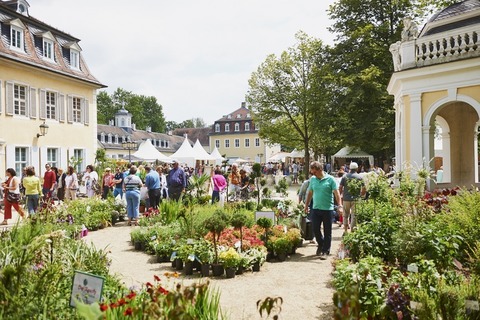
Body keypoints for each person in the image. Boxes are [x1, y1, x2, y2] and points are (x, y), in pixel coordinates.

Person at [304, 161, 343, 260]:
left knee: (327, 231)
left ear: (320, 169)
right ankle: (321, 244)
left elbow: (337, 193)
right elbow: (310, 193)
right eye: (312, 173)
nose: (313, 174)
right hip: (316, 209)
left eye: (315, 172)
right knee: (315, 229)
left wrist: (339, 205)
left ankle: (326, 251)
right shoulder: (313, 179)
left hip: (327, 209)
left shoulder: (330, 179)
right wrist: (306, 205)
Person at [339, 162, 366, 234]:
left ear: (350, 168)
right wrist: (361, 195)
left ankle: (345, 230)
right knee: (354, 215)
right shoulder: (360, 177)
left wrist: (340, 195)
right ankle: (352, 231)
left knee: (345, 215)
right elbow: (364, 188)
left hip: (346, 199)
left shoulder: (345, 176)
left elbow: (340, 187)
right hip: (356, 199)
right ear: (357, 168)